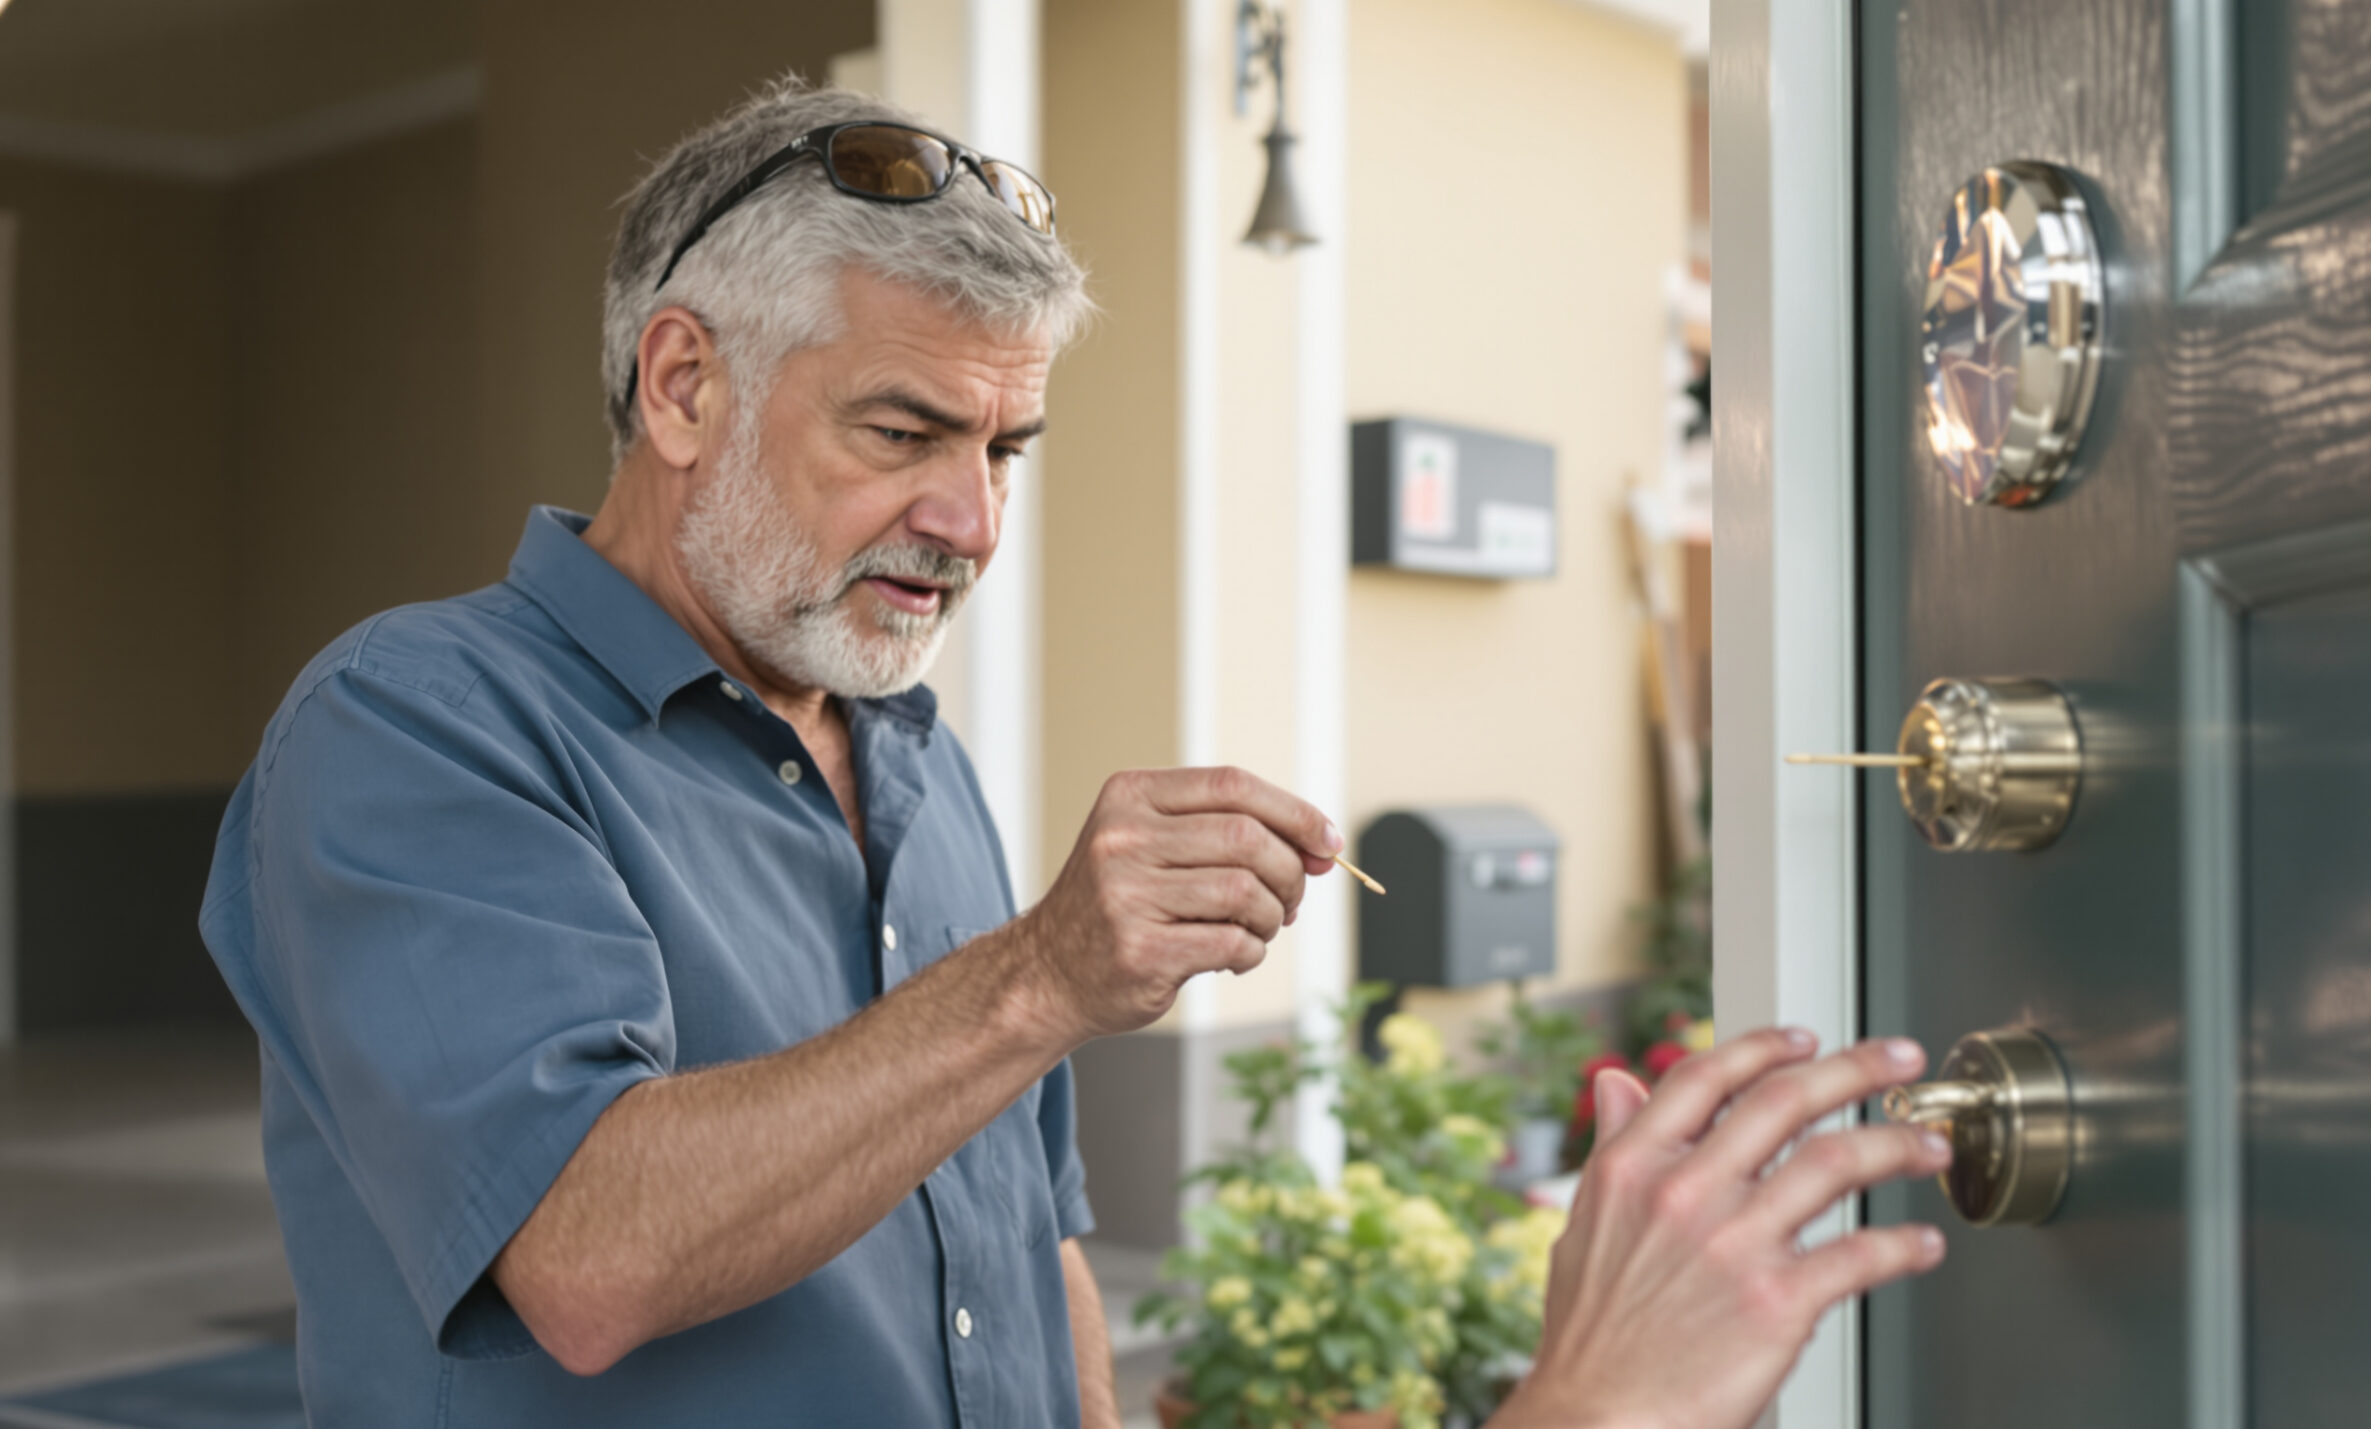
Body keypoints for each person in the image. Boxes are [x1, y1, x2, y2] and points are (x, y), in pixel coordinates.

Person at [199, 79, 1946, 1428]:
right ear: (680, 388)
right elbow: (585, 1254)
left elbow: (1027, 1253)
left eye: (1007, 449)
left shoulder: (916, 760)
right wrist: (1039, 975)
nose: (970, 519)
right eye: (905, 431)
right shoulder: (413, 722)